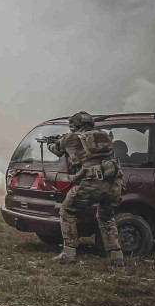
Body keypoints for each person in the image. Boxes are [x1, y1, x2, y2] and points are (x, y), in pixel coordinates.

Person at [46, 111, 124, 265]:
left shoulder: (70, 138)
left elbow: (57, 149)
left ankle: (69, 253)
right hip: (113, 183)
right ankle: (116, 256)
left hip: (92, 183)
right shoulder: (104, 136)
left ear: (75, 126)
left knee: (67, 211)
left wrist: (49, 143)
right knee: (106, 217)